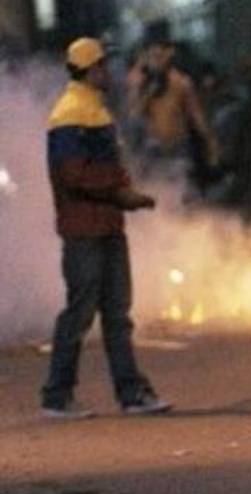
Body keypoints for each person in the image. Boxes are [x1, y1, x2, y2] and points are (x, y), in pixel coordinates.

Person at [41, 38, 173, 420]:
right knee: (81, 314)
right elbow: (73, 175)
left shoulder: (93, 109)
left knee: (116, 314)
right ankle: (57, 396)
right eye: (103, 65)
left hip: (105, 225)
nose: (109, 71)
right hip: (85, 228)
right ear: (91, 69)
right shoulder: (70, 113)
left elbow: (104, 168)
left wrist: (123, 194)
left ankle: (131, 394)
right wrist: (121, 194)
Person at [125, 39, 219, 192]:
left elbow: (196, 116)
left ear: (169, 55)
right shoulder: (139, 81)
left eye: (160, 56)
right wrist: (147, 93)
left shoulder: (181, 83)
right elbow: (133, 115)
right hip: (151, 149)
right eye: (153, 57)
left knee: (178, 190)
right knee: (153, 191)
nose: (156, 61)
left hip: (177, 147)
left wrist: (209, 142)